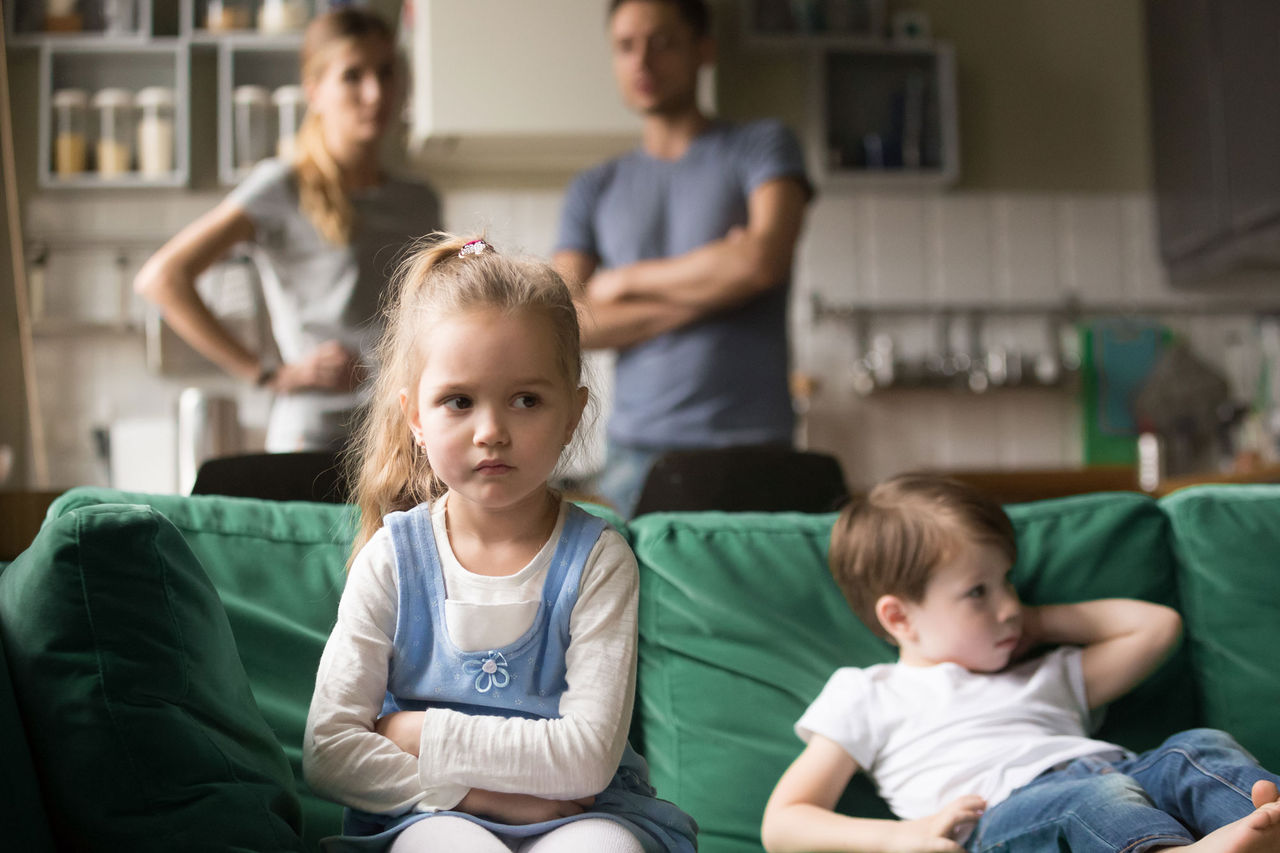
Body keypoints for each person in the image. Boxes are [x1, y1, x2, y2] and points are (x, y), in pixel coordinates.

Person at [302, 233, 697, 853]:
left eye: (526, 400)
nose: (492, 432)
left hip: (583, 815)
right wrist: (480, 798)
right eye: (458, 401)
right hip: (424, 814)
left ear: (572, 414)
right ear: (416, 419)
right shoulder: (392, 558)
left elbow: (588, 762)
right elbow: (329, 752)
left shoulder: (600, 558)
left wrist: (416, 731)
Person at [760, 472, 1280, 853]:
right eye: (977, 593)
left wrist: (1037, 621)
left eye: (1007, 580)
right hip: (1006, 817)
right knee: (1096, 797)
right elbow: (784, 823)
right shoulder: (869, 693)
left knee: (1194, 748)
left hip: (1123, 771)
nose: (1008, 604)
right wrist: (901, 837)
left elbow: (1156, 627)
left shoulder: (1045, 674)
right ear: (899, 618)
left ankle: (1263, 822)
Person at [135, 8, 441, 454]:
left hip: (404, 436)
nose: (374, 93)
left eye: (386, 72)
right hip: (314, 435)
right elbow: (162, 279)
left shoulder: (420, 201)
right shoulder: (281, 187)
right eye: (352, 76)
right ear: (315, 91)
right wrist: (269, 374)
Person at [553, 0, 812, 517]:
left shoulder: (763, 146)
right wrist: (720, 281)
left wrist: (624, 281)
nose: (643, 62)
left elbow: (763, 262)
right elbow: (564, 322)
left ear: (704, 50)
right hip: (635, 454)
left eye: (663, 42)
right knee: (638, 600)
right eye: (626, 46)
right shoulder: (594, 186)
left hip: (753, 443)